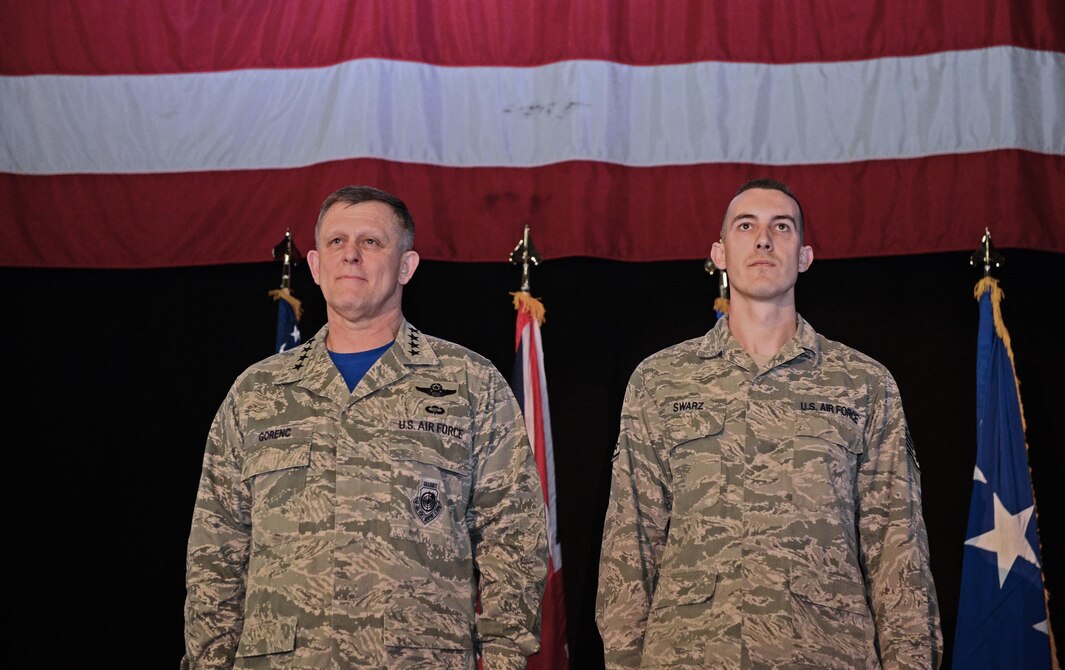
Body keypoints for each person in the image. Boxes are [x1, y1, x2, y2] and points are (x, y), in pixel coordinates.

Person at [183, 186, 548, 669]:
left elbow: (514, 538)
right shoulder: (258, 393)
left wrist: (502, 662)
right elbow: (216, 549)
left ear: (406, 267)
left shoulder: (469, 383)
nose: (350, 254)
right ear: (314, 266)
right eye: (336, 242)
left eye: (371, 242)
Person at [596, 179, 942, 669]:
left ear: (804, 256)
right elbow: (629, 545)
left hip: (825, 653)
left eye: (781, 227)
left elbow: (897, 549)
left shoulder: (863, 383)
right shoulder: (660, 381)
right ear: (719, 253)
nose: (763, 240)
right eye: (746, 226)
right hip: (690, 655)